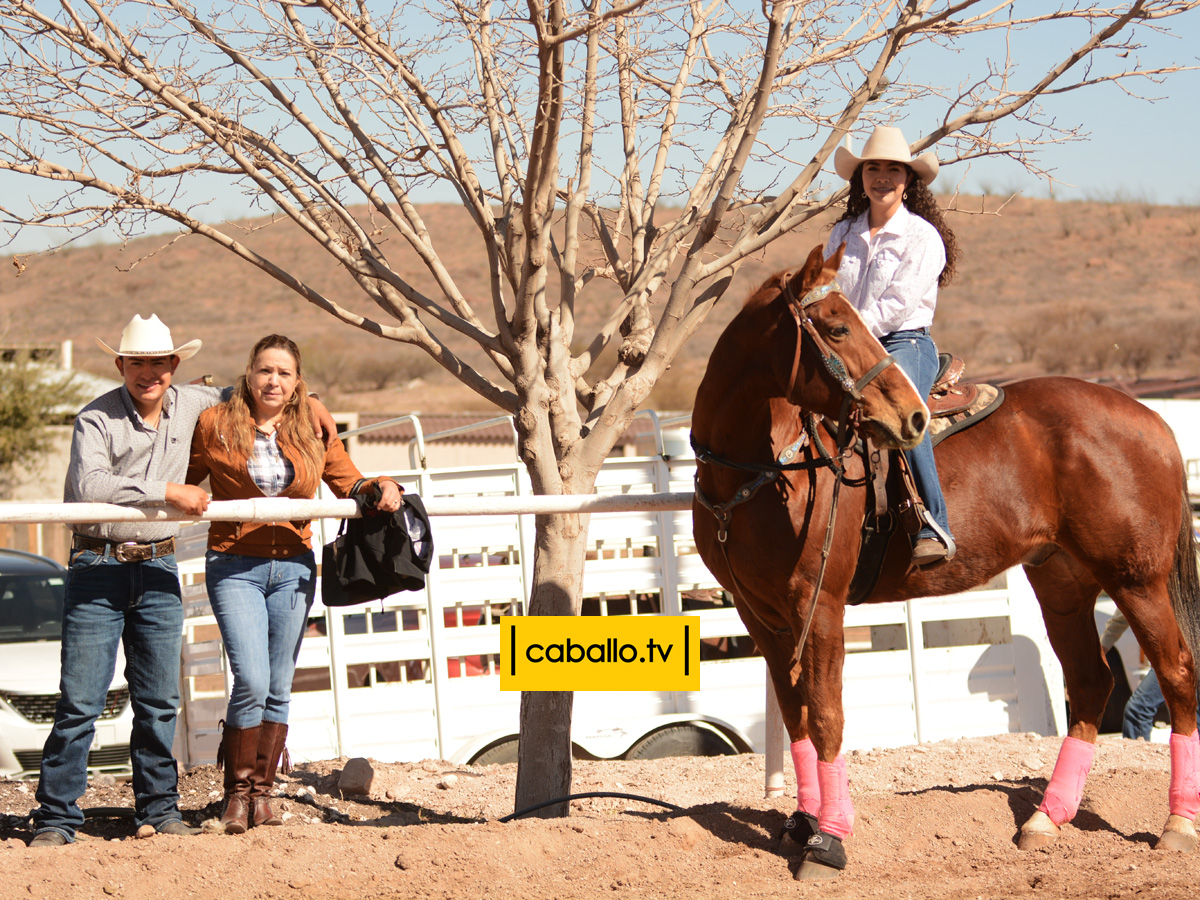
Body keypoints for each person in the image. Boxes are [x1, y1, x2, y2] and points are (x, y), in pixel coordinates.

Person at [29, 315, 338, 849]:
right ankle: (57, 817)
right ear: (120, 364)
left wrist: (310, 402)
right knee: (81, 701)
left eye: (159, 363)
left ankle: (158, 808)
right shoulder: (95, 418)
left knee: (159, 700)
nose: (148, 373)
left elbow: (258, 390)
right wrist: (168, 491)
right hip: (98, 565)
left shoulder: (195, 403)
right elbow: (91, 483)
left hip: (157, 563)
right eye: (137, 363)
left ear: (174, 365)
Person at [186, 334, 402, 834]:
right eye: (265, 370)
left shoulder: (312, 425)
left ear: (298, 380)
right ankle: (236, 796)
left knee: (279, 685)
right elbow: (183, 476)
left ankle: (262, 797)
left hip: (294, 566)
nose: (273, 381)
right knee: (252, 679)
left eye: (284, 373)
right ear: (249, 373)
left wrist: (381, 486)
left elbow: (348, 481)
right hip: (234, 563)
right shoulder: (215, 423)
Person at [825, 125, 960, 567]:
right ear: (860, 177)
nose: (882, 177)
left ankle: (931, 524)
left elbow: (898, 305)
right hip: (845, 344)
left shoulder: (922, 237)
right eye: (873, 168)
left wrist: (850, 334)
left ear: (908, 181)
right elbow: (828, 291)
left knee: (902, 412)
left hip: (904, 342)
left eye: (893, 170)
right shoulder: (843, 232)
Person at [1100, 609, 1200, 740]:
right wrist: (1101, 650)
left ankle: (1138, 752)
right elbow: (1123, 614)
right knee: (1190, 715)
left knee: (1138, 710)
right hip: (1179, 651)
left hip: (1178, 653)